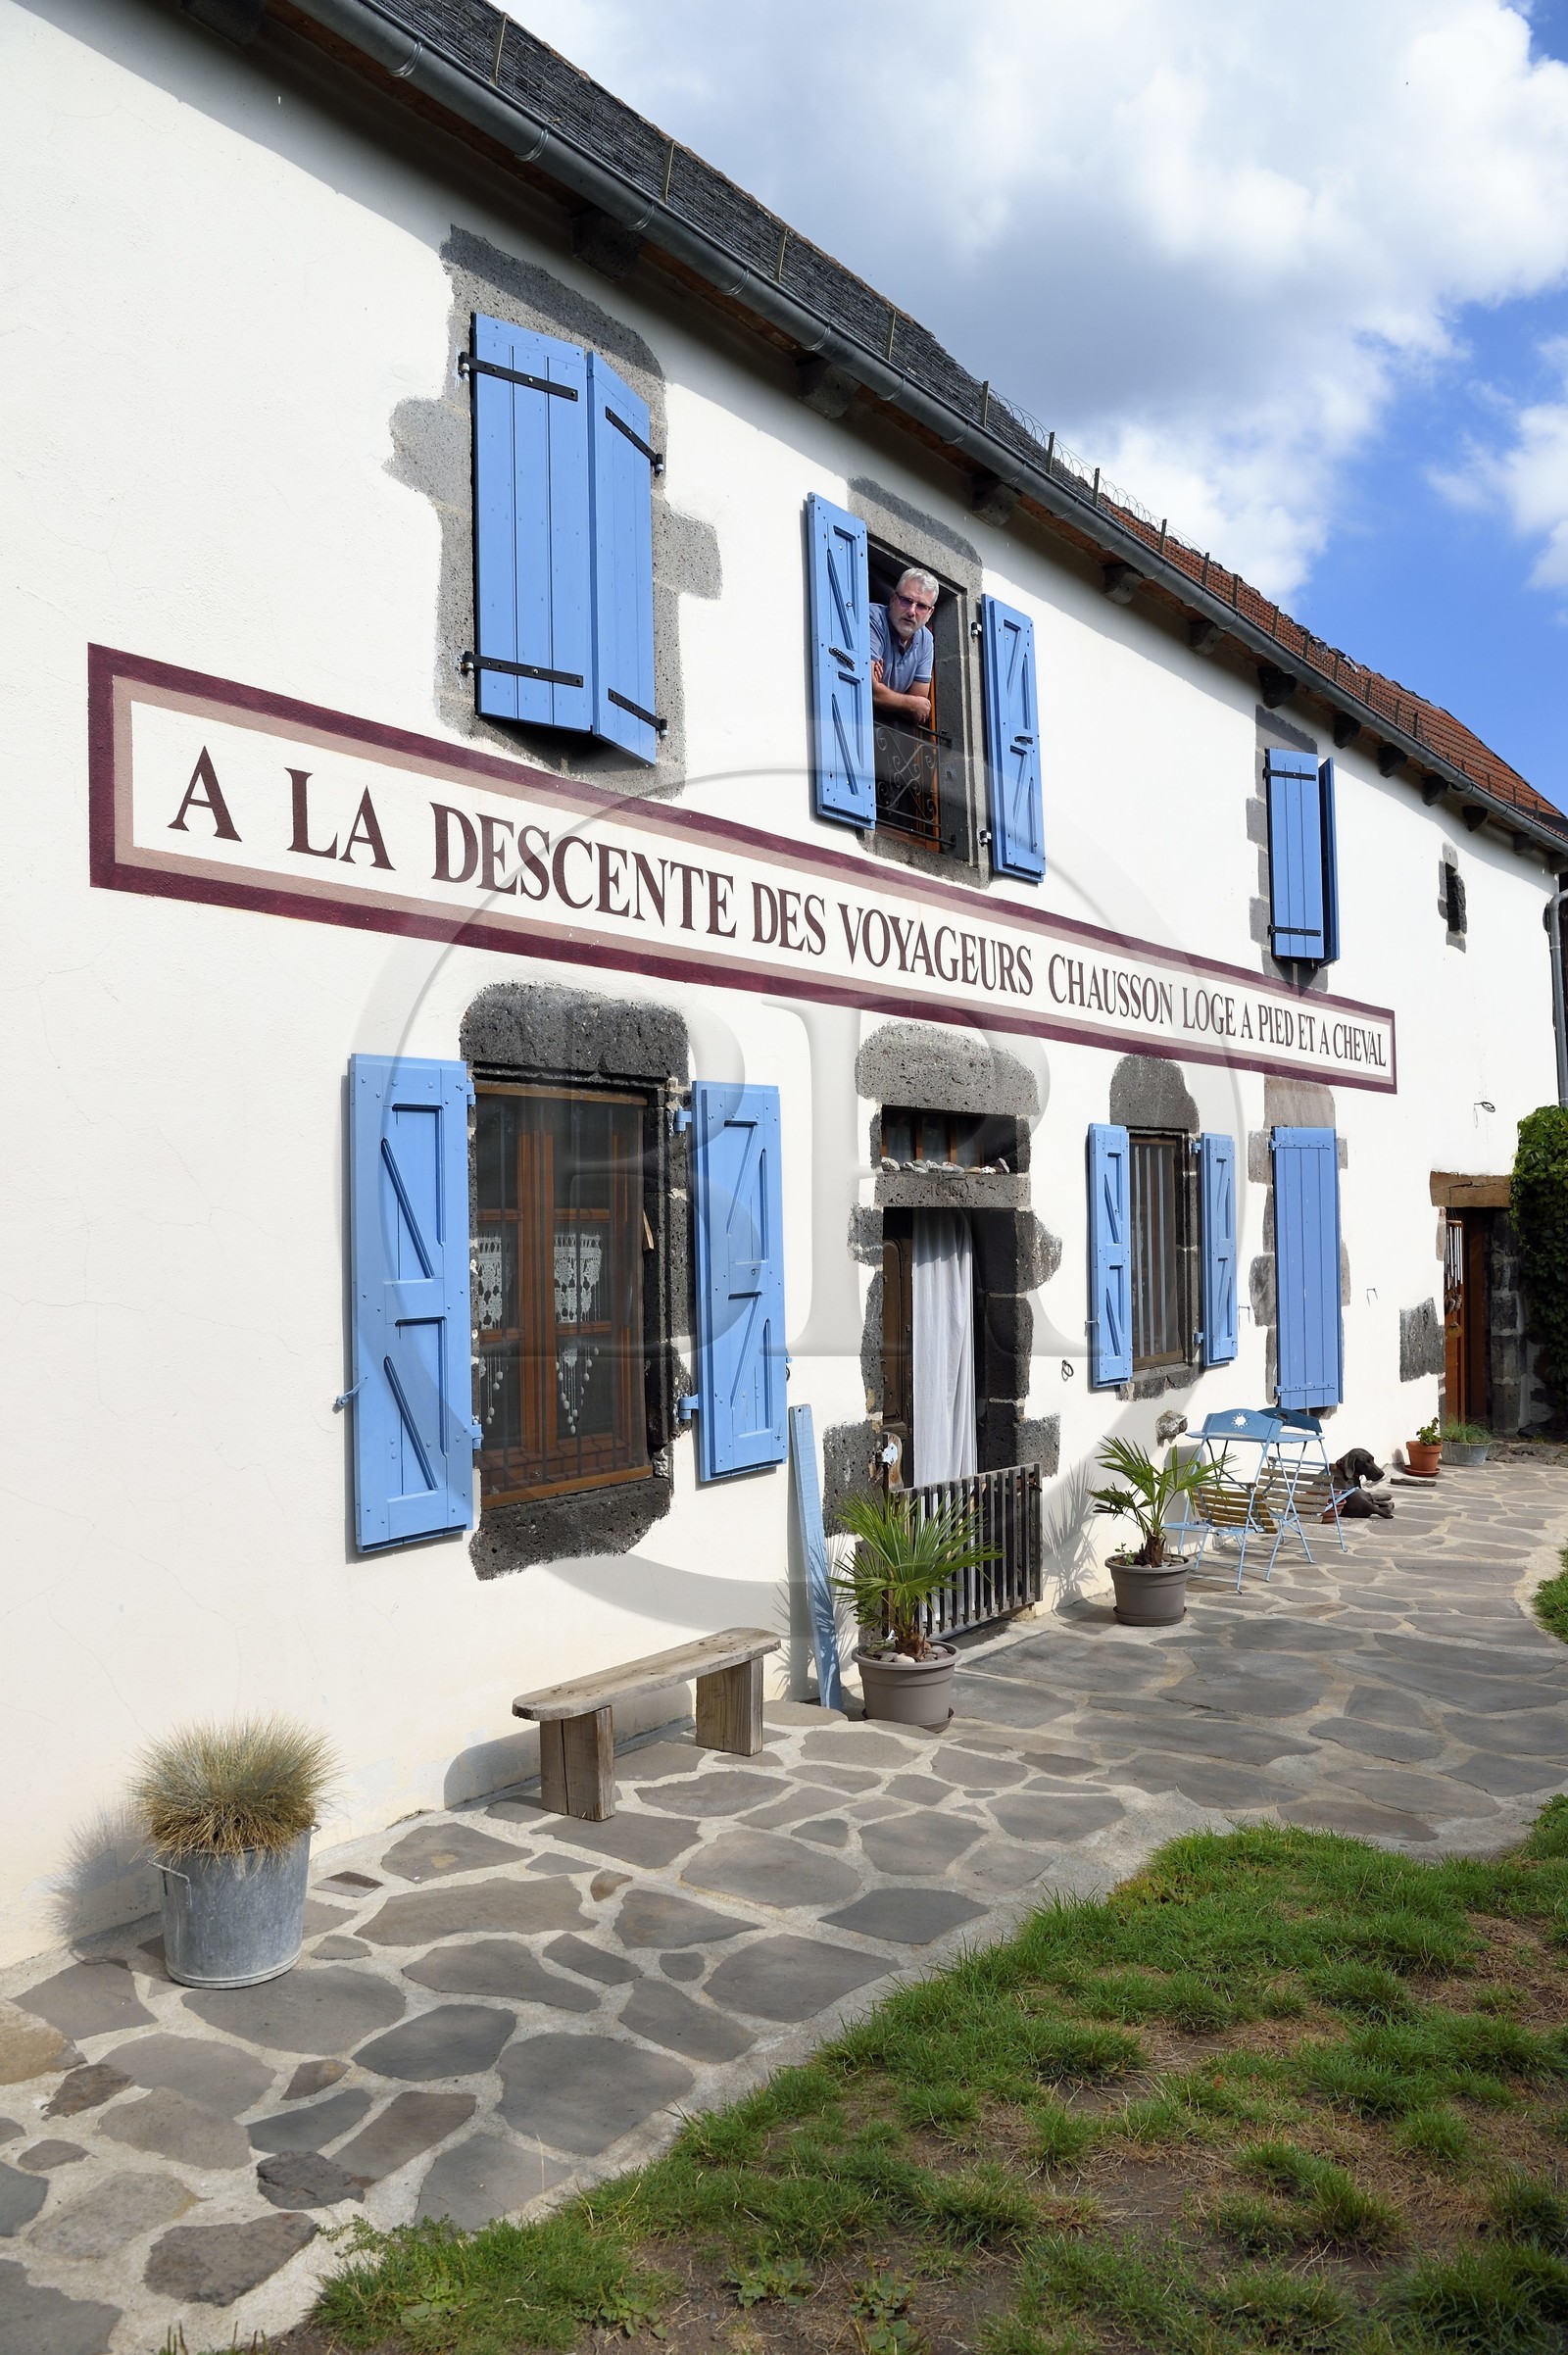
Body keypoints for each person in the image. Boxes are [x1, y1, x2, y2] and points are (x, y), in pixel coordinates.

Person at [869, 567, 938, 726]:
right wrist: (910, 703)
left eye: (921, 606)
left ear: (930, 613)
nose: (912, 611)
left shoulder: (926, 640)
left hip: (891, 739)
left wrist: (883, 691)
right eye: (906, 601)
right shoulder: (873, 618)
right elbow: (868, 688)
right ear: (893, 599)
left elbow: (918, 714)